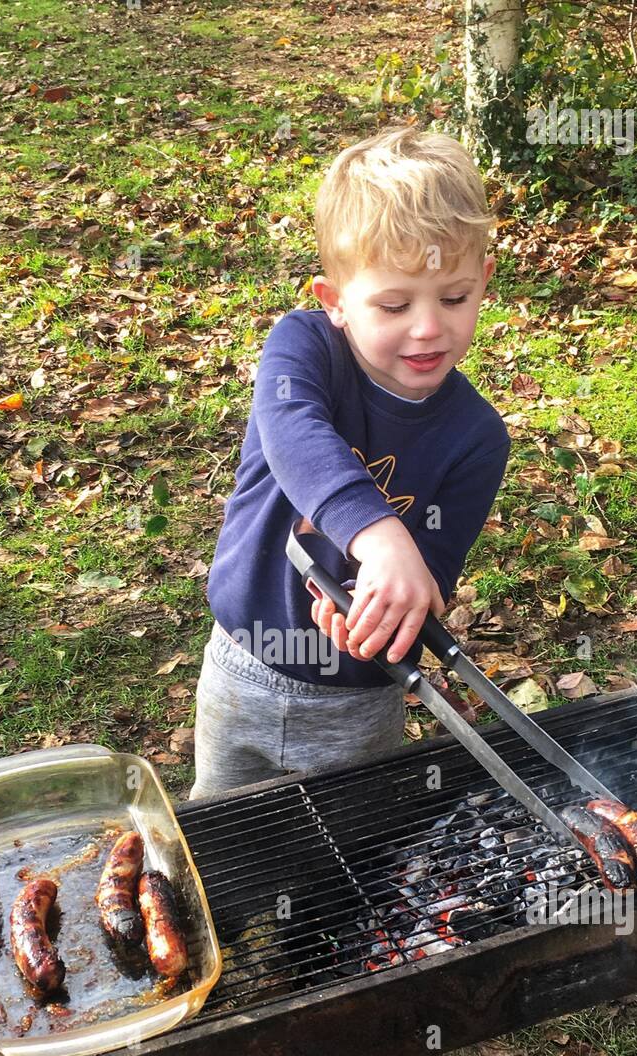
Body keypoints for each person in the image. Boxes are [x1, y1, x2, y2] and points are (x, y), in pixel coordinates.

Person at [190, 124, 511, 799]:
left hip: (361, 704)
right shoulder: (303, 350)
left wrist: (392, 614)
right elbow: (294, 432)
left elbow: (431, 576)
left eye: (454, 297)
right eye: (394, 304)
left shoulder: (477, 437)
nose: (428, 326)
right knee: (219, 842)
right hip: (241, 670)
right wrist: (379, 533)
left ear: (484, 280)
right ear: (334, 302)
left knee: (353, 866)